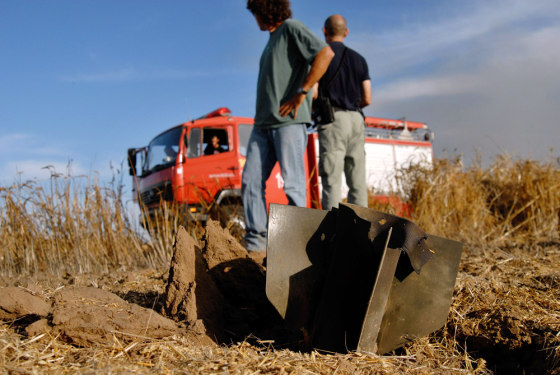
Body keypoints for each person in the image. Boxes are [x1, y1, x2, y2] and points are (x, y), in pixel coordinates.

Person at [242, 0, 334, 252]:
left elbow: (325, 54)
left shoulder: (291, 28)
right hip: (262, 124)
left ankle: (299, 247)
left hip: (288, 122)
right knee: (250, 181)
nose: (256, 20)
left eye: (256, 14)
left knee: (292, 184)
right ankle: (255, 245)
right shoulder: (271, 41)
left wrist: (302, 91)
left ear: (265, 10)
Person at [315, 14, 372, 210]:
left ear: (324, 32)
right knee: (357, 183)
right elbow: (367, 98)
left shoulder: (320, 56)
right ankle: (363, 236)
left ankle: (332, 237)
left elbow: (314, 93)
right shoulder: (360, 60)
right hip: (356, 119)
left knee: (332, 182)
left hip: (333, 120)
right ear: (346, 32)